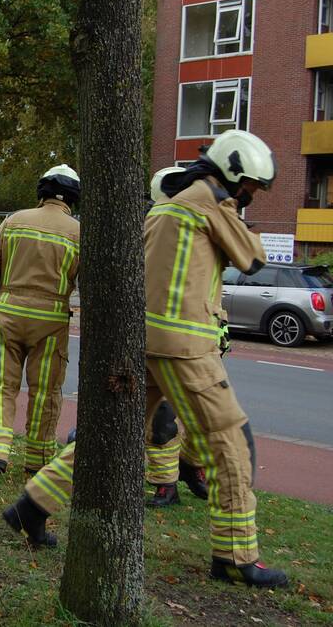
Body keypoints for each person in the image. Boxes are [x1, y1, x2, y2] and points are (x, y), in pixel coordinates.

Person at [2, 130, 288, 589]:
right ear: (235, 175)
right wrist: (235, 212)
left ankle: (30, 507)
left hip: (145, 342)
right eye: (253, 186)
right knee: (228, 443)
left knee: (110, 438)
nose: (253, 194)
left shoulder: (167, 205)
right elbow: (252, 259)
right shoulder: (211, 202)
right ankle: (236, 556)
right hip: (187, 348)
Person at [0, 165, 80, 476]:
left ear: (41, 191)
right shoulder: (78, 232)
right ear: (73, 197)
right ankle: (37, 462)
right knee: (46, 392)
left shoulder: (14, 221)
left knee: (0, 385)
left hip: (9, 315)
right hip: (52, 323)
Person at [144, 167, 209, 507]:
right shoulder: (164, 226)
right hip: (171, 341)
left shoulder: (180, 225)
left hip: (180, 341)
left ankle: (180, 474)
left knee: (176, 417)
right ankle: (167, 483)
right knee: (164, 418)